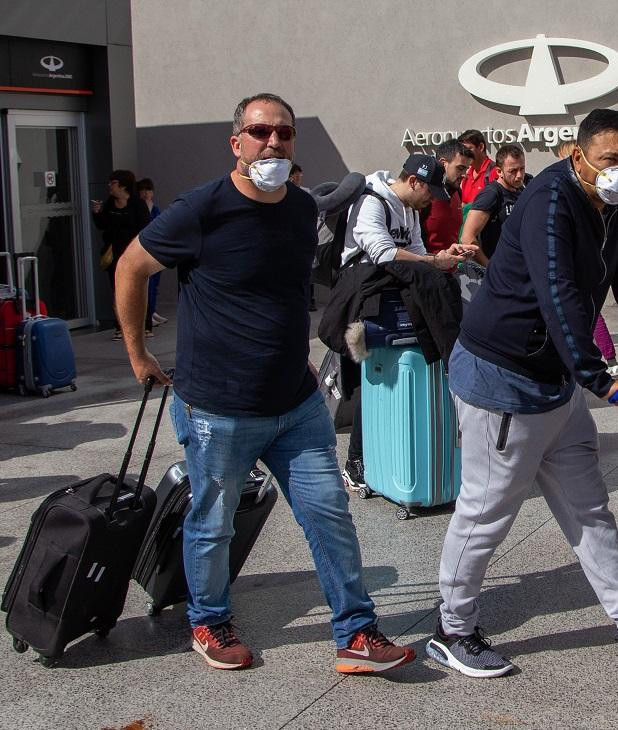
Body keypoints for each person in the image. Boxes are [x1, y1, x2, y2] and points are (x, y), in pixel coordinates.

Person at [113, 92, 416, 674]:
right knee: (213, 521)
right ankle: (209, 619)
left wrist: (297, 355)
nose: (272, 141)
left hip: (295, 405)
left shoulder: (301, 209)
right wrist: (138, 353)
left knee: (328, 513)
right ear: (237, 142)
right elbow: (131, 265)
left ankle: (356, 632)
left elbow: (283, 295)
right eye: (259, 132)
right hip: (218, 408)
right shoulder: (202, 208)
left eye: (283, 132)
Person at [427, 109, 618, 678]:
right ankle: (452, 628)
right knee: (485, 514)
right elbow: (559, 293)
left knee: (589, 507)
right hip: (503, 377)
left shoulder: (610, 205)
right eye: (612, 159)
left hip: (554, 383)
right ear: (578, 154)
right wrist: (599, 377)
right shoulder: (548, 202)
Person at [339, 153, 471, 492]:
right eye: (429, 192)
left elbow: (416, 250)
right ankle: (355, 460)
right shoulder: (371, 202)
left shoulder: (409, 209)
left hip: (393, 296)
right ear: (413, 181)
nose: (431, 200)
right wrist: (433, 261)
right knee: (371, 382)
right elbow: (382, 253)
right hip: (363, 296)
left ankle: (448, 356)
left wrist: (439, 259)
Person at [555, 142, 618, 376]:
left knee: (587, 312)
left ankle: (605, 360)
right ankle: (606, 360)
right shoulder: (562, 191)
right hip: (581, 265)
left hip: (581, 267)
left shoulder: (590, 196)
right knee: (587, 312)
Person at [91, 169, 151, 339]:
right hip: (114, 255)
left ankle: (143, 326)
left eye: (113, 183)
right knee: (117, 291)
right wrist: (96, 212)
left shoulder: (137, 204)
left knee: (137, 290)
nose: (110, 186)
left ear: (123, 185)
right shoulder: (110, 204)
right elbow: (102, 225)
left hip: (134, 254)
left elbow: (146, 227)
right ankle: (120, 327)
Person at [460, 142, 532, 266]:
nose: (519, 175)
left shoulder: (522, 189)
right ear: (499, 171)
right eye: (513, 171)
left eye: (522, 169)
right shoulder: (491, 194)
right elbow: (467, 237)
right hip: (500, 272)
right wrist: (490, 267)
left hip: (520, 268)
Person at [420, 140, 473, 254]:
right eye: (460, 168)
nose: (464, 175)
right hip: (426, 268)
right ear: (443, 163)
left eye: (466, 169)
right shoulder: (424, 194)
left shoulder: (457, 192)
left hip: (452, 268)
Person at [135, 178, 166, 328]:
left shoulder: (155, 208)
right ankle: (148, 314)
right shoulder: (141, 209)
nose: (147, 193)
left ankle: (152, 311)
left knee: (155, 284)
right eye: (144, 190)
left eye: (149, 190)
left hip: (157, 252)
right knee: (148, 285)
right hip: (146, 252)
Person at [457, 129, 499, 206]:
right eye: (462, 151)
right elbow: (463, 204)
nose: (464, 154)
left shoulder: (495, 172)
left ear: (480, 147)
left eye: (468, 149)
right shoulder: (466, 175)